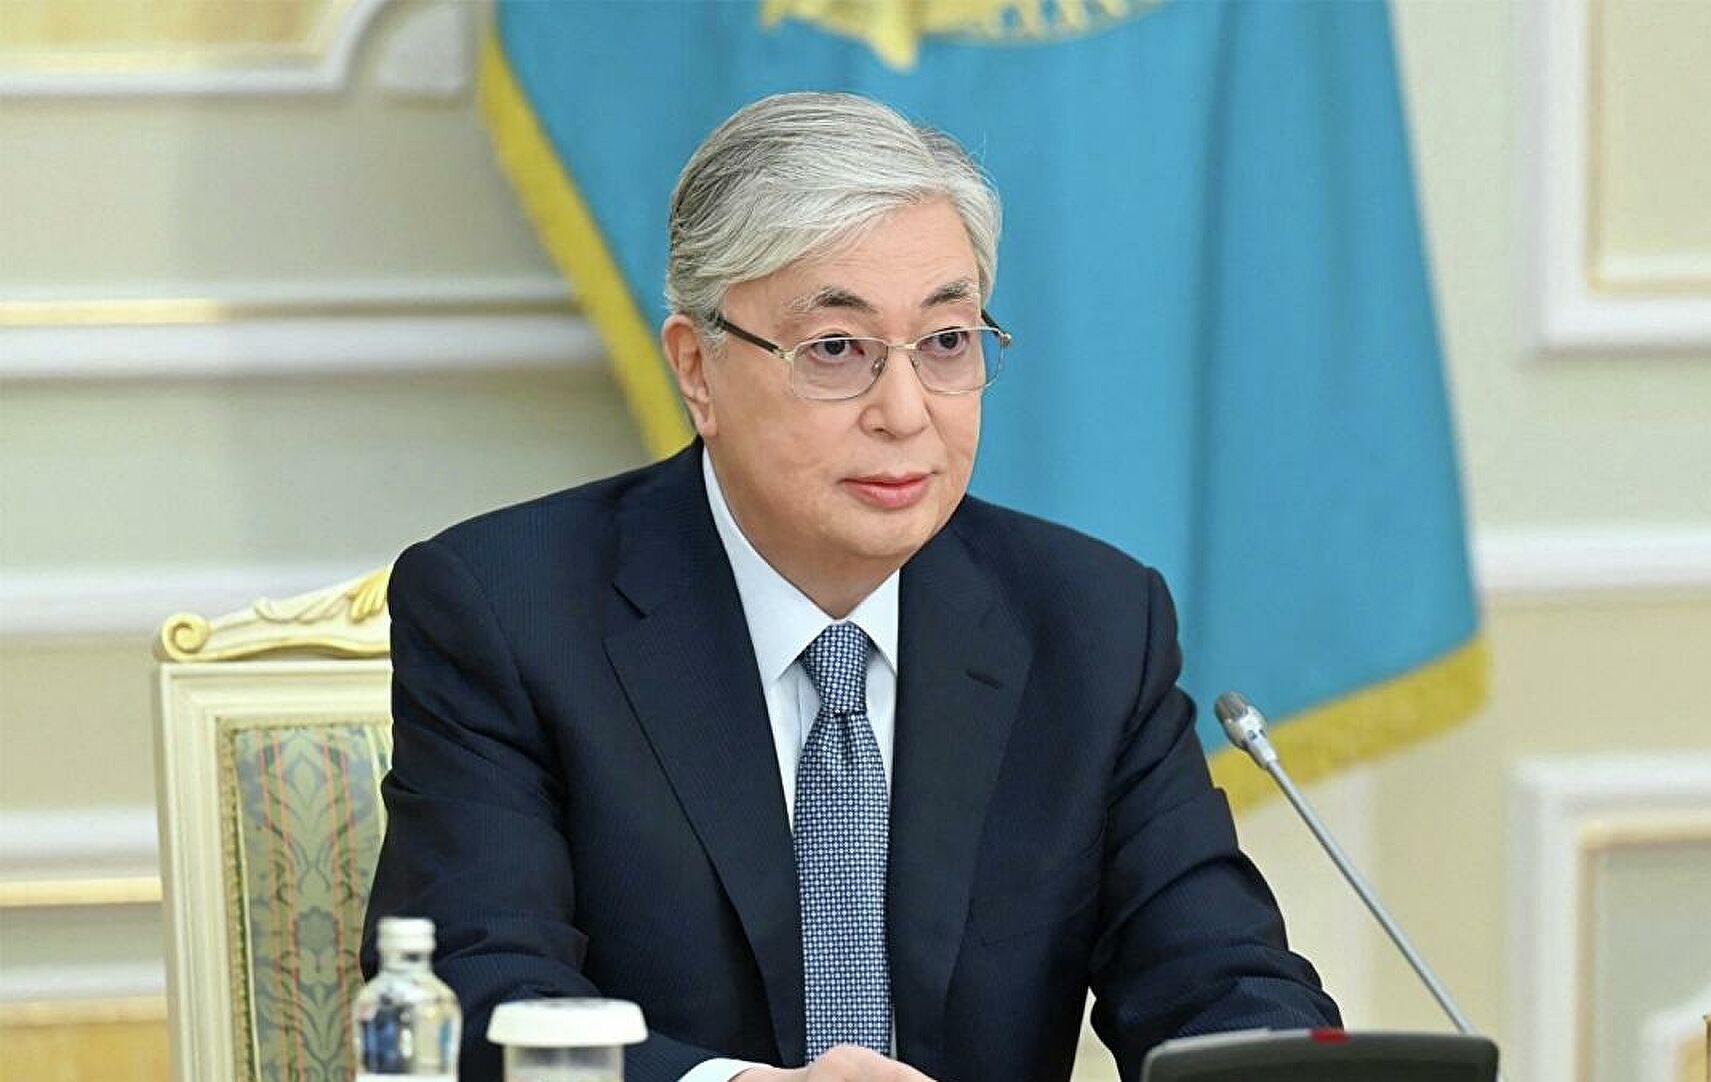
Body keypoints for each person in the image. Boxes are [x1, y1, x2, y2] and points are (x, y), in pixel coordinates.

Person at [361, 91, 1338, 1082]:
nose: (905, 412)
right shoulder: (510, 610)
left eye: (947, 341)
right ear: (697, 370)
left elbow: (1220, 979)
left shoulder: (1091, 623)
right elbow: (477, 997)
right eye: (837, 349)